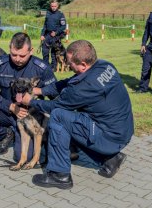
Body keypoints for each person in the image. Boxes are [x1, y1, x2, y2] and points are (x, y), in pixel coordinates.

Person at [20, 40, 134, 190]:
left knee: (59, 116)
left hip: (110, 138)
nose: (67, 65)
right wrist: (39, 91)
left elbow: (55, 106)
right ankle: (111, 159)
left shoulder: (83, 88)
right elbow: (68, 82)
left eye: (70, 62)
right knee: (73, 122)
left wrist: (31, 102)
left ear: (83, 65)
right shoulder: (105, 66)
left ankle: (59, 174)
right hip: (122, 131)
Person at [0, 32, 57, 162]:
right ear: (9, 48)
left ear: (31, 51)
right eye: (14, 54)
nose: (17, 59)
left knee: (24, 158)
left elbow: (55, 93)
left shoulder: (42, 68)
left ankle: (28, 138)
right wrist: (10, 106)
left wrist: (39, 91)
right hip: (6, 110)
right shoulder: (0, 64)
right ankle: (6, 134)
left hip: (30, 115)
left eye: (22, 55)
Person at [41, 0, 66, 71]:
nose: (53, 7)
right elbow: (45, 25)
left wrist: (56, 32)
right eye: (52, 6)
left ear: (57, 6)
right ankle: (45, 66)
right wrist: (42, 34)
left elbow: (63, 26)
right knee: (45, 51)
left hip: (55, 36)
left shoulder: (60, 14)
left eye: (55, 6)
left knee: (53, 53)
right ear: (50, 6)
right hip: (47, 35)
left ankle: (53, 67)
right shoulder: (48, 13)